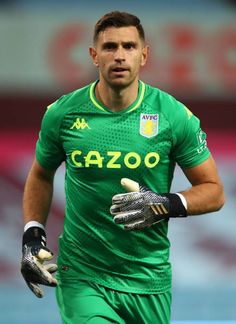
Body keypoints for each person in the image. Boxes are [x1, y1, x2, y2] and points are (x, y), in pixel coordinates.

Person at [20, 11, 225, 324]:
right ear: (93, 55)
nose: (119, 56)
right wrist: (32, 236)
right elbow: (40, 173)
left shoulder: (172, 116)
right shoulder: (63, 114)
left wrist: (164, 203)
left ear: (144, 56)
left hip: (148, 279)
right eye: (109, 47)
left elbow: (214, 192)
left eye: (129, 47)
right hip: (83, 276)